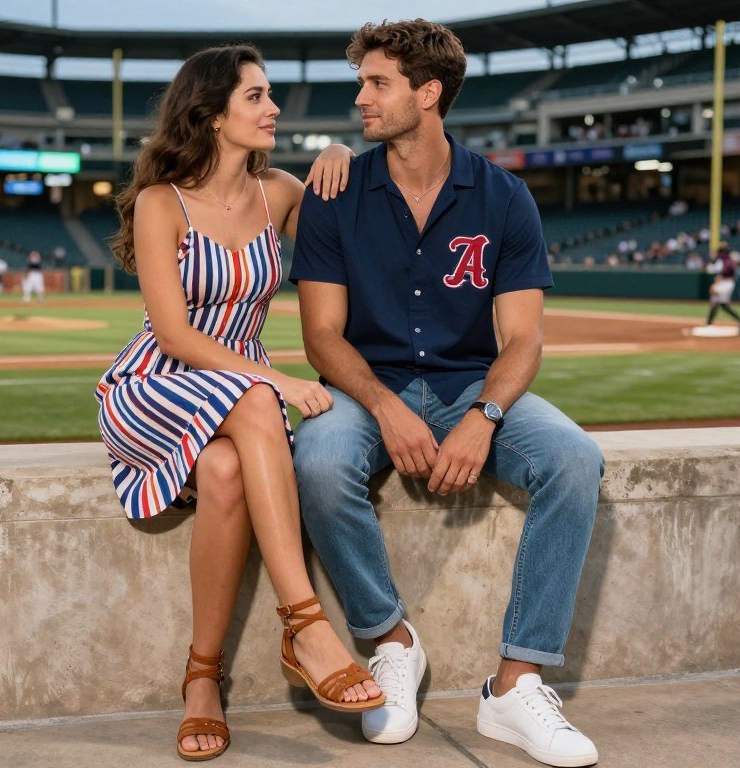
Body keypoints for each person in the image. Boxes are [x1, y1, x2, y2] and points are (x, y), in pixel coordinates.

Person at [290, 20, 605, 767]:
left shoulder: (504, 196)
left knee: (573, 459)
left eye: (378, 83)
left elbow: (523, 339)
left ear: (428, 94)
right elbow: (322, 337)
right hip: (369, 388)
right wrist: (388, 407)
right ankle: (391, 644)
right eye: (362, 81)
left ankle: (515, 685)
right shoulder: (336, 189)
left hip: (472, 381)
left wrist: (484, 416)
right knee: (319, 463)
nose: (360, 97)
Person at [93, 44, 383, 762]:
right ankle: (308, 625)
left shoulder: (278, 190)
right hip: (155, 386)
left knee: (225, 474)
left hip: (238, 399)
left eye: (269, 94)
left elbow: (355, 239)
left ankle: (201, 680)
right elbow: (174, 333)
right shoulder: (163, 203)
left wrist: (346, 153)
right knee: (256, 398)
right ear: (212, 113)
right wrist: (277, 380)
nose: (272, 108)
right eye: (255, 96)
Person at [705, 243, 740, 333]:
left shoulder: (723, 259)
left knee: (714, 296)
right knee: (720, 304)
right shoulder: (729, 258)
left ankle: (709, 322)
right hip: (728, 282)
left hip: (724, 282)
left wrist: (716, 283)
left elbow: (722, 272)